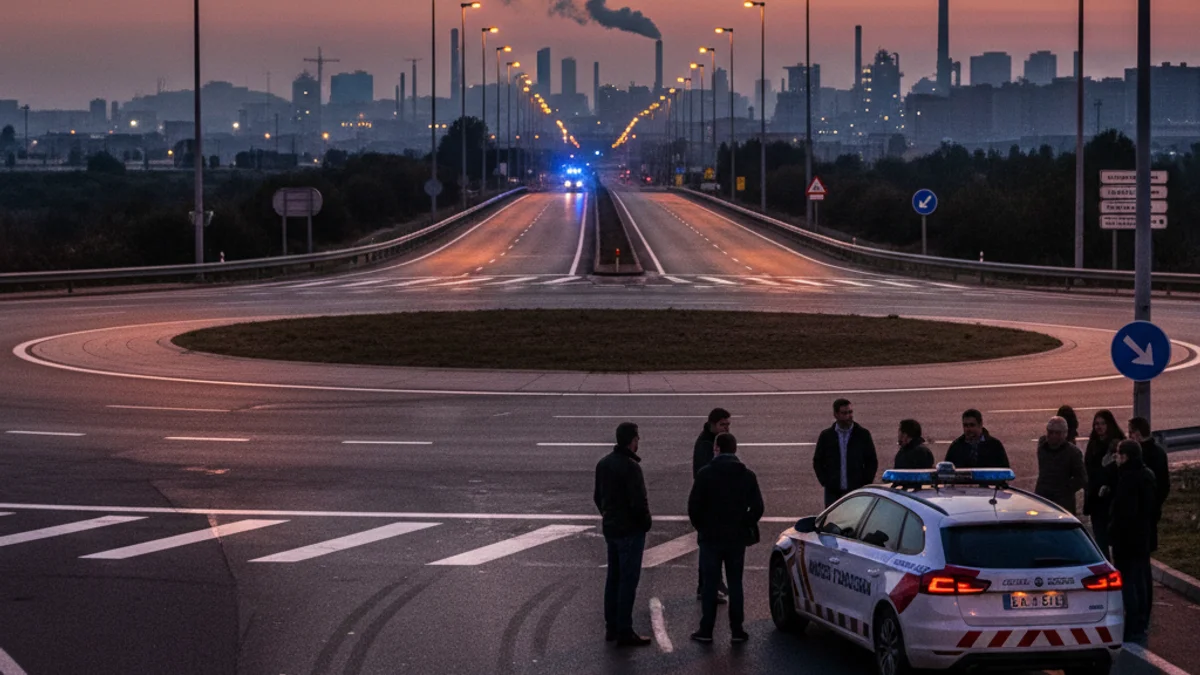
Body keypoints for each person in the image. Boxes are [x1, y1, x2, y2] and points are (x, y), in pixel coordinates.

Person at [688, 433, 764, 645]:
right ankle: (737, 630)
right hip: (736, 538)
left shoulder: (705, 474)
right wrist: (744, 522)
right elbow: (758, 506)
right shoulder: (747, 475)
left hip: (711, 537)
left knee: (710, 584)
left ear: (717, 449)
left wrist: (702, 527)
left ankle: (706, 630)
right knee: (735, 583)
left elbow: (694, 506)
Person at [593, 422, 653, 647]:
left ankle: (612, 627)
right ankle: (625, 630)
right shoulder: (631, 467)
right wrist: (645, 523)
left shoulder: (603, 464)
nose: (639, 443)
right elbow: (639, 502)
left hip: (612, 529)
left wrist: (608, 516)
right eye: (637, 439)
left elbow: (597, 497)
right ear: (632, 440)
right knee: (628, 581)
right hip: (630, 531)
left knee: (613, 578)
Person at [1107, 439, 1158, 643]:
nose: (1117, 458)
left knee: (1127, 582)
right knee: (1140, 580)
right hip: (1143, 537)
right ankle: (1141, 621)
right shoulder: (1147, 474)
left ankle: (1132, 624)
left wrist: (1114, 532)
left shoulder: (1128, 478)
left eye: (1119, 454)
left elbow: (1124, 512)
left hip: (1127, 540)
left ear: (1126, 456)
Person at [1128, 416, 1170, 624]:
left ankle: (1140, 611)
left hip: (1140, 520)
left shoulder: (1140, 456)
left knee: (1138, 567)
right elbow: (1165, 486)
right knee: (1144, 564)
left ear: (1136, 433)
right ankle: (1145, 608)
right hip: (1150, 516)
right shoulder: (1159, 453)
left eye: (1130, 432)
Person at [692, 408, 731, 604]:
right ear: (713, 424)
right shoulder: (706, 445)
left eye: (728, 425)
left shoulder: (711, 441)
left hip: (711, 506)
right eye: (723, 425)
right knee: (709, 551)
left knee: (709, 550)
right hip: (710, 507)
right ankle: (709, 586)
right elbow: (704, 475)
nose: (727, 428)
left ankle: (709, 585)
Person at [813, 398, 878, 507]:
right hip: (833, 492)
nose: (849, 416)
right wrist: (826, 481)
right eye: (844, 413)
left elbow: (871, 461)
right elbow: (818, 461)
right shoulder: (827, 436)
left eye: (850, 412)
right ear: (836, 415)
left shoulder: (862, 434)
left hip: (855, 491)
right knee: (833, 521)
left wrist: (865, 482)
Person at [1083, 410, 1125, 560]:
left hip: (1111, 499)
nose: (1098, 427)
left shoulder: (1117, 444)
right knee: (1100, 540)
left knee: (1115, 539)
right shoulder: (1093, 443)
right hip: (1095, 499)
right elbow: (1087, 468)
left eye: (1102, 423)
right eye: (1096, 424)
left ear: (1109, 424)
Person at [1034, 416, 1087, 515]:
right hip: (1043, 498)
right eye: (1050, 432)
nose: (1053, 436)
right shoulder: (1042, 447)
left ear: (1065, 434)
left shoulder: (1073, 453)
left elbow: (1081, 478)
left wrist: (1065, 489)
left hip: (1063, 503)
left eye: (1057, 433)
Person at [945, 409, 1010, 468]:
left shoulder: (994, 445)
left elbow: (1005, 470)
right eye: (965, 425)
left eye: (972, 425)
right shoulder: (956, 446)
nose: (968, 429)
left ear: (980, 424)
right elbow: (947, 471)